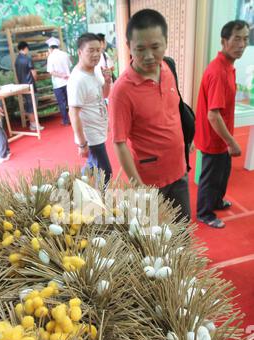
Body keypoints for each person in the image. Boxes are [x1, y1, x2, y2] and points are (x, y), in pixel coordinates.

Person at [109, 9, 191, 221]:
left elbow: (174, 112)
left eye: (155, 47)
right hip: (149, 182)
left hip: (179, 170)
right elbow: (119, 142)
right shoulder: (122, 90)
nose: (148, 56)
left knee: (183, 232)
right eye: (140, 49)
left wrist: (186, 142)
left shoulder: (167, 68)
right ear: (129, 47)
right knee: (154, 244)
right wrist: (138, 186)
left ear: (165, 42)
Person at [195, 20, 249, 228]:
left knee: (222, 173)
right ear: (224, 41)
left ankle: (216, 201)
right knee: (210, 177)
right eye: (237, 39)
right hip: (213, 138)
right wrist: (232, 142)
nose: (242, 44)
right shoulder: (218, 71)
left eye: (245, 39)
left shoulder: (228, 67)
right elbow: (213, 115)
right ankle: (204, 212)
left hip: (221, 137)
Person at [67, 33, 112, 186]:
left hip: (98, 131)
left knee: (92, 167)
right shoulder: (77, 80)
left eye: (98, 50)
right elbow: (73, 114)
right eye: (91, 50)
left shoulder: (96, 70)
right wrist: (82, 144)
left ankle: (72, 188)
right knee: (106, 172)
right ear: (80, 52)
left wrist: (107, 82)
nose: (96, 54)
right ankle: (99, 201)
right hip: (90, 136)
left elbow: (103, 95)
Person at [15, 41, 44, 131]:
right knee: (33, 105)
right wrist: (35, 79)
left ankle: (32, 124)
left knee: (28, 105)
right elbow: (33, 72)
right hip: (30, 85)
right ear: (25, 48)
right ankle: (35, 124)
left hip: (23, 86)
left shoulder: (16, 60)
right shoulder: (27, 59)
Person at [46, 37, 72, 126]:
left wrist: (61, 76)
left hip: (58, 84)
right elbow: (70, 66)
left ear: (50, 48)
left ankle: (65, 121)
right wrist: (65, 75)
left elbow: (51, 72)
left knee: (62, 103)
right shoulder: (65, 54)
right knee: (70, 102)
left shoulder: (51, 57)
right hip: (68, 82)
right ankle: (73, 119)